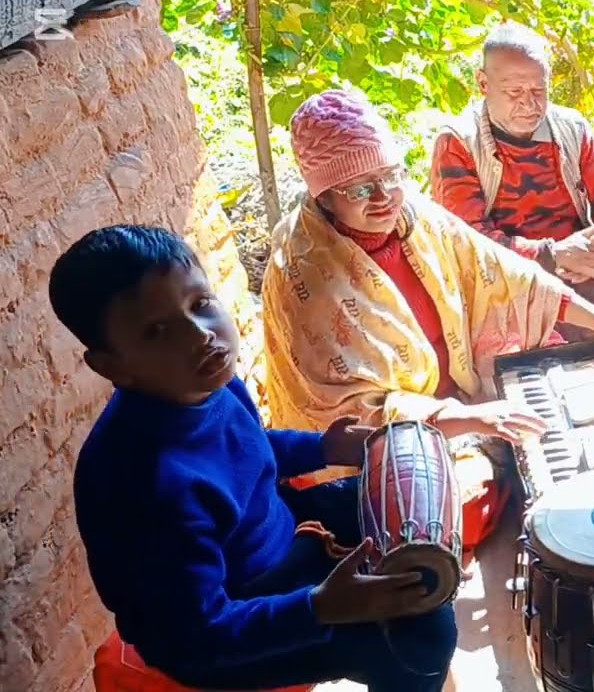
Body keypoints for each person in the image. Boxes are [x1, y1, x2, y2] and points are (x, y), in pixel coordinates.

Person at [261, 89, 594, 552]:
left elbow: (507, 276)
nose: (383, 197)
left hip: (459, 387)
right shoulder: (306, 275)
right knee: (462, 514)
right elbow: (357, 416)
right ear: (325, 196)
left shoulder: (414, 217)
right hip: (389, 439)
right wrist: (474, 419)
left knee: (572, 415)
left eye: (391, 176)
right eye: (359, 188)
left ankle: (498, 457)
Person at [52, 225, 457, 690]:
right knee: (419, 636)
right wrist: (320, 606)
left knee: (388, 504)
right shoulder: (153, 487)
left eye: (200, 305)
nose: (200, 336)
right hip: (227, 625)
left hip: (278, 535)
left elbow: (249, 449)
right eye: (158, 331)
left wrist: (324, 448)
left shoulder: (203, 382)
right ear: (112, 366)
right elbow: (196, 636)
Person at [430, 22, 594, 332]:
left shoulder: (571, 128)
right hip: (510, 279)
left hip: (576, 270)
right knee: (490, 305)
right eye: (514, 92)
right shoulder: (457, 142)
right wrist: (554, 256)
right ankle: (581, 326)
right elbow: (468, 242)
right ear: (483, 83)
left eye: (539, 90)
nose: (529, 104)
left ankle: (554, 328)